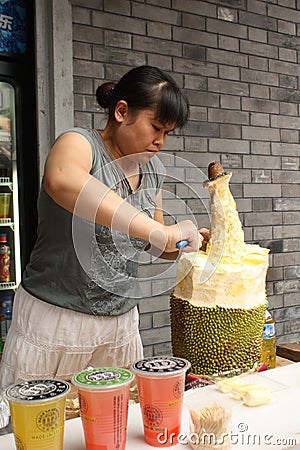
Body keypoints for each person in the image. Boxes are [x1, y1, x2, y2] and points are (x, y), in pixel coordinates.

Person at [0, 65, 209, 390]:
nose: (159, 142)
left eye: (167, 133)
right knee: (42, 430)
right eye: (155, 127)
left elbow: (156, 244)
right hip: (57, 319)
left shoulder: (152, 169)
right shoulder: (79, 143)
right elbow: (63, 180)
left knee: (113, 426)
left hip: (120, 326)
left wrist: (183, 242)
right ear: (122, 111)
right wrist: (162, 234)